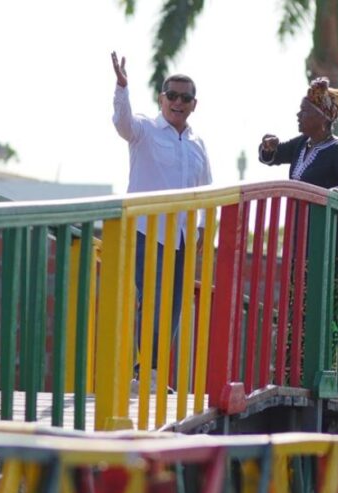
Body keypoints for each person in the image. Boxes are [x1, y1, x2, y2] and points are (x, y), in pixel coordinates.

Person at [111, 51, 212, 392]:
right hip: (146, 230)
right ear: (161, 98)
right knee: (151, 297)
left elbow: (207, 189)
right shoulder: (144, 129)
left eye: (185, 97)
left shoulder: (198, 143)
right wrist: (122, 87)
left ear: (194, 104)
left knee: (173, 304)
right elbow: (121, 123)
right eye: (172, 95)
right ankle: (145, 373)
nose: (178, 102)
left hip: (183, 235)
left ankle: (153, 371)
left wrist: (200, 229)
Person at [258, 77, 338, 201]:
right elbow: (275, 155)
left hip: (321, 219)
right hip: (296, 219)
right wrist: (268, 147)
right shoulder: (301, 143)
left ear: (323, 118)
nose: (298, 115)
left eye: (305, 110)